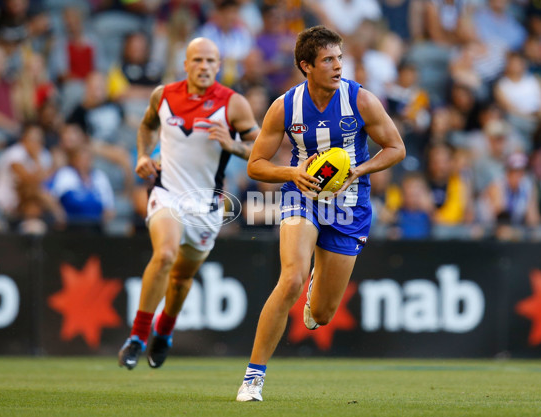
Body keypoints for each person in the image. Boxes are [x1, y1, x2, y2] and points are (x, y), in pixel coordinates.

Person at [236, 26, 405, 402]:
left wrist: (356, 171)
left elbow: (396, 148)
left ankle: (317, 290)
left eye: (340, 58)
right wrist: (292, 173)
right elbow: (256, 164)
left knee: (324, 314)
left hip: (350, 206)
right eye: (328, 60)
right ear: (306, 66)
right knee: (291, 278)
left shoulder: (361, 101)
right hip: (302, 195)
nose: (338, 66)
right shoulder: (285, 106)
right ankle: (253, 378)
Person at [117, 37, 260, 370]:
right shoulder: (163, 95)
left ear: (219, 66)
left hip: (206, 208)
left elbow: (262, 151)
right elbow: (147, 125)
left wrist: (233, 145)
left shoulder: (233, 104)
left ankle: (164, 331)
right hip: (167, 192)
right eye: (197, 60)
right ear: (186, 64)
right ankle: (137, 337)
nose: (204, 66)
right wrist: (142, 155)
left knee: (181, 279)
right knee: (165, 253)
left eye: (211, 61)